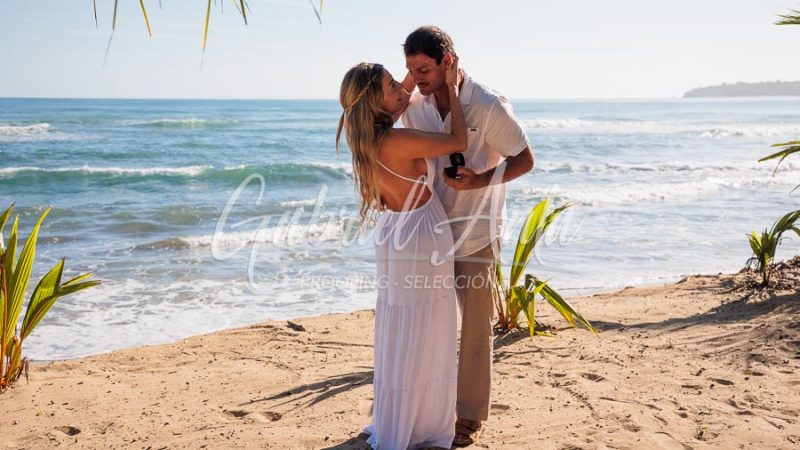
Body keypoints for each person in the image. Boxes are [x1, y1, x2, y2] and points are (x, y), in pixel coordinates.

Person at [401, 26, 535, 447]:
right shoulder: (416, 103)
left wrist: (479, 181)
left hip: (476, 231)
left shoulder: (489, 104)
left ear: (448, 60)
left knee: (475, 327)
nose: (418, 77)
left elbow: (525, 159)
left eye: (424, 68)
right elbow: (383, 118)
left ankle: (469, 417)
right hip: (430, 231)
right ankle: (430, 409)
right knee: (431, 324)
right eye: (410, 69)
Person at [335, 56, 466, 450]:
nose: (403, 90)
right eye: (392, 87)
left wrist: (411, 69)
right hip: (422, 233)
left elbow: (399, 95)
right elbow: (459, 141)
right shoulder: (397, 140)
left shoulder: (366, 142)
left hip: (393, 232)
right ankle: (421, 425)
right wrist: (455, 92)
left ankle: (401, 418)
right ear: (375, 102)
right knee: (427, 325)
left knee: (401, 325)